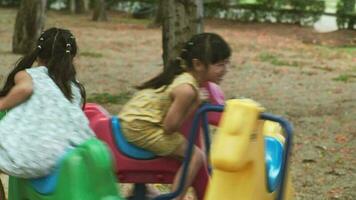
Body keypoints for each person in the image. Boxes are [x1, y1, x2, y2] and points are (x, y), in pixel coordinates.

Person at [119, 33, 232, 199]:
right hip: (140, 126)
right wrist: (195, 104)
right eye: (219, 65)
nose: (224, 70)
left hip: (134, 118)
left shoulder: (184, 77)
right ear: (198, 64)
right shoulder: (187, 89)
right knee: (195, 155)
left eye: (226, 64)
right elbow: (170, 127)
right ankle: (176, 197)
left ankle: (146, 190)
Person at [0, 27, 94, 178]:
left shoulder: (30, 75)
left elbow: (25, 89)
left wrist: (3, 103)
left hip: (30, 158)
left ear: (38, 55)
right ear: (71, 57)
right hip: (68, 155)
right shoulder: (74, 87)